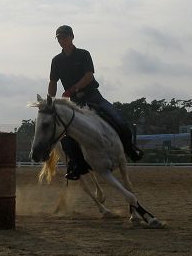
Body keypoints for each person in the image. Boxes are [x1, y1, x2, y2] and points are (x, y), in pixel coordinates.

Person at [48, 25, 143, 180]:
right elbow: (53, 82)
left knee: (117, 118)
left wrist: (72, 89)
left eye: (64, 37)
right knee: (67, 135)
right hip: (75, 103)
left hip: (93, 96)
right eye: (59, 38)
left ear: (72, 37)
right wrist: (49, 101)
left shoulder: (83, 54)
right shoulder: (56, 61)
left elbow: (89, 76)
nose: (62, 40)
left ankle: (131, 149)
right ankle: (76, 165)